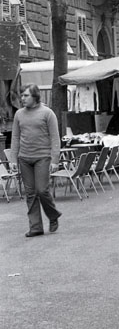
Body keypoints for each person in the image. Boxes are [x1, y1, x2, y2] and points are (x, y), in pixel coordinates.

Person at [10, 84, 62, 237]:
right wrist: (13, 159)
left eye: (26, 95)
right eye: (22, 95)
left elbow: (55, 137)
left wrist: (55, 160)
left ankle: (53, 215)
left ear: (35, 96)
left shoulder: (47, 113)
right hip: (24, 158)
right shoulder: (19, 114)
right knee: (30, 193)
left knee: (42, 190)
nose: (22, 98)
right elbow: (15, 137)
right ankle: (36, 227)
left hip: (42, 157)